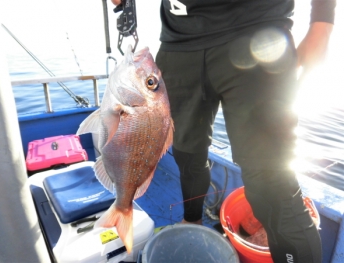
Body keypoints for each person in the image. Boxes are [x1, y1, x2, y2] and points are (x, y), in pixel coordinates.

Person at [110, 0, 336, 262]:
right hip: (179, 43)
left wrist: (323, 22)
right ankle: (191, 222)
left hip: (258, 33)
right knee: (187, 154)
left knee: (270, 182)